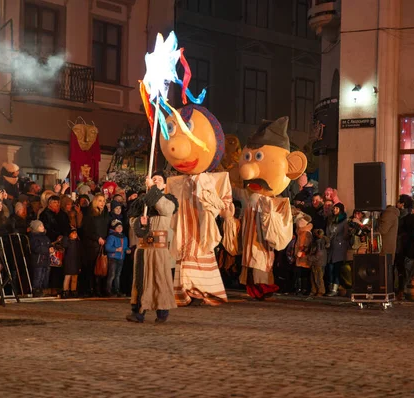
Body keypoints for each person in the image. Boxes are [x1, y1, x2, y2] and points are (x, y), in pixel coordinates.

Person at [161, 104, 233, 306]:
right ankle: (186, 291)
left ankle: (202, 291)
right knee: (185, 259)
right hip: (185, 230)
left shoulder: (210, 180)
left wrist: (208, 199)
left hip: (202, 230)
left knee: (201, 255)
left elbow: (221, 202)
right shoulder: (176, 182)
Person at [234, 116, 307, 300]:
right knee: (251, 262)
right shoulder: (248, 196)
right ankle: (254, 287)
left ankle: (264, 287)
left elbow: (289, 212)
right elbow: (234, 192)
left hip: (262, 242)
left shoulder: (273, 201)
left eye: (257, 157)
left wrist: (301, 221)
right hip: (249, 240)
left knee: (261, 260)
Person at [127, 174, 178, 323]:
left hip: (158, 249)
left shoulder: (168, 200)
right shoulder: (141, 203)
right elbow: (132, 222)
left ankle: (162, 313)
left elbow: (164, 209)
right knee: (140, 281)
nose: (155, 181)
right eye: (153, 179)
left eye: (159, 180)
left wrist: (153, 190)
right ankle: (138, 313)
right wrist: (139, 222)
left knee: (159, 280)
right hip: (143, 248)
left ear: (164, 185)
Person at [80, 193, 109, 297]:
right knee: (91, 267)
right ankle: (90, 289)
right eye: (100, 200)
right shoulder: (90, 214)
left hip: (103, 243)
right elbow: (86, 230)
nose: (102, 203)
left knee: (101, 267)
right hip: (91, 245)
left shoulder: (105, 213)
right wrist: (97, 238)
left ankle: (100, 289)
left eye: (104, 201)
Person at [394, 194, 414, 301]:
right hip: (404, 246)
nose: (397, 203)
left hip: (402, 246)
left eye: (398, 202)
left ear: (402, 204)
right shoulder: (408, 216)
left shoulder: (404, 217)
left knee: (401, 269)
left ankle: (401, 291)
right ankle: (400, 290)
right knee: (402, 269)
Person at [325, 202, 349, 297]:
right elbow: (328, 230)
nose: (335, 210)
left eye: (337, 208)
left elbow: (345, 234)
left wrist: (339, 240)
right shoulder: (331, 220)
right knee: (330, 268)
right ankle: (330, 288)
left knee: (336, 268)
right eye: (334, 208)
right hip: (331, 246)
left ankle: (335, 289)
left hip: (339, 247)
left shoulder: (344, 221)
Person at [104, 219, 130, 297]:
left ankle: (117, 290)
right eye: (117, 227)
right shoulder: (111, 237)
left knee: (118, 275)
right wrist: (116, 249)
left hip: (121, 258)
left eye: (120, 226)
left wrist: (127, 250)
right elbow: (107, 247)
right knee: (112, 275)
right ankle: (108, 290)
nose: (119, 228)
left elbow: (124, 247)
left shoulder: (124, 237)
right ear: (114, 228)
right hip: (113, 257)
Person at [29, 220, 52, 298]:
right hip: (38, 260)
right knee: (38, 276)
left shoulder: (45, 237)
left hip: (46, 260)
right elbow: (36, 248)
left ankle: (43, 289)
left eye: (42, 225)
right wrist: (46, 250)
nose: (43, 227)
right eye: (40, 226)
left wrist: (51, 247)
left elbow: (49, 244)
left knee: (45, 276)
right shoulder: (34, 238)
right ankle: (36, 290)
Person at [378, 204, 400, 272]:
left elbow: (383, 230)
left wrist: (372, 230)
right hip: (388, 246)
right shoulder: (392, 213)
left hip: (385, 245)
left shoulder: (388, 214)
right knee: (387, 269)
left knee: (384, 270)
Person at [309, 229, 329, 296]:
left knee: (318, 277)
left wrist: (309, 258)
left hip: (318, 262)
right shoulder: (321, 242)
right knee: (315, 277)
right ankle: (315, 290)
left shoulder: (319, 242)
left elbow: (318, 254)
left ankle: (320, 291)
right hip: (319, 262)